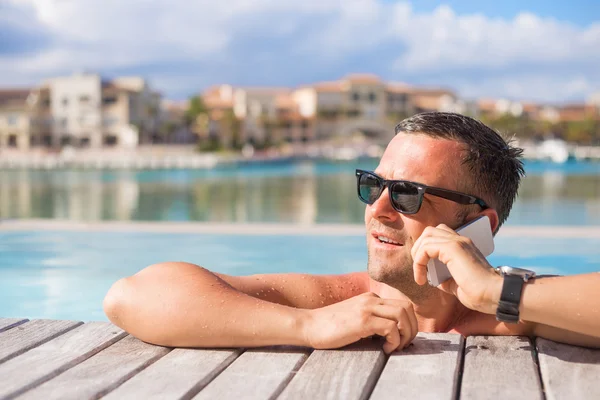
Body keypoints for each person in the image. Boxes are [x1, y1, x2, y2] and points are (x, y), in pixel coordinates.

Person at [103, 112, 600, 353]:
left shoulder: (511, 311)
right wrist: (307, 327)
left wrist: (494, 290)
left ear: (477, 223)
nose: (379, 209)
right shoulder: (330, 303)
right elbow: (131, 295)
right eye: (372, 185)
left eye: (406, 193)